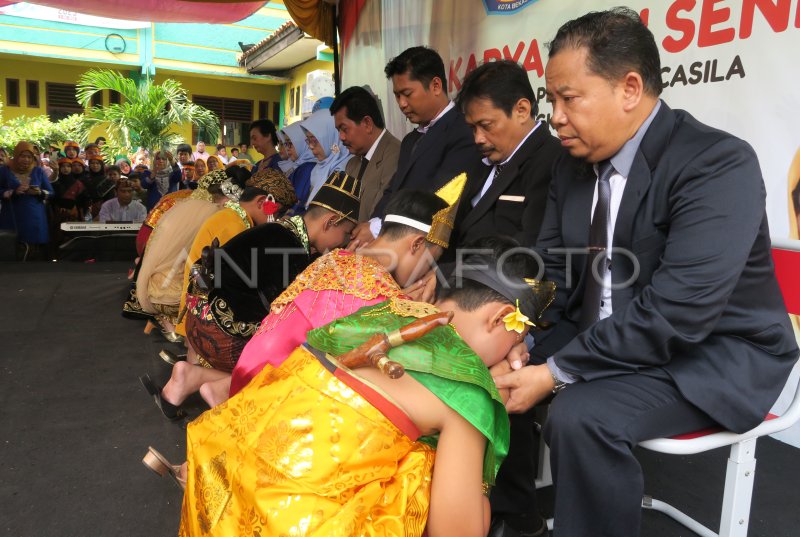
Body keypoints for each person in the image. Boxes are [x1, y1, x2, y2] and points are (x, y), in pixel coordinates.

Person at [490, 9, 799, 537]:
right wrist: (523, 337)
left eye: (569, 98)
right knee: (487, 365)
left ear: (629, 88)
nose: (556, 118)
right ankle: (514, 519)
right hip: (609, 336)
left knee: (581, 414)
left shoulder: (716, 163)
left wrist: (554, 370)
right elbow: (553, 273)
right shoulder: (571, 164)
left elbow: (678, 314)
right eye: (552, 101)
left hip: (711, 351)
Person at [153, 236, 556, 537]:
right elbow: (458, 531)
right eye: (520, 339)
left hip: (221, 495)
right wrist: (487, 411)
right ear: (502, 317)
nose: (517, 356)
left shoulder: (371, 313)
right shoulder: (467, 391)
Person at [144, 171, 361, 417]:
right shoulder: (291, 248)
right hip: (222, 334)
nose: (343, 242)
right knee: (297, 360)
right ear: (330, 222)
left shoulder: (278, 232)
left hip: (199, 320)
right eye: (346, 234)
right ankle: (219, 391)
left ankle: (188, 377)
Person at [229, 173, 467, 397]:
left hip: (248, 372)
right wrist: (409, 315)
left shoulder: (337, 258)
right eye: (431, 261)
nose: (425, 274)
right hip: (267, 392)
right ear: (416, 244)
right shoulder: (379, 293)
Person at [351, 46, 481, 244]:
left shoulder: (462, 131)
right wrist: (372, 224)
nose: (402, 103)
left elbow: (439, 200)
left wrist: (379, 229)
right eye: (397, 95)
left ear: (436, 86)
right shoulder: (410, 140)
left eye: (407, 93)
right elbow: (393, 191)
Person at [173, 167, 297, 341]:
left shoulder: (233, 218)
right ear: (262, 202)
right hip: (206, 312)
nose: (277, 220)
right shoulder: (235, 226)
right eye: (277, 213)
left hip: (200, 305)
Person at [135, 170, 229, 338]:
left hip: (152, 288)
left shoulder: (182, 204)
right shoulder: (213, 213)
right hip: (171, 297)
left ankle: (168, 323)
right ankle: (189, 337)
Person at [331, 85, 401, 221]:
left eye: (344, 129)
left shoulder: (396, 156)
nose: (341, 137)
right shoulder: (352, 164)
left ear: (367, 123)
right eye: (338, 131)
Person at [0, 141, 54, 258]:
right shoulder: (4, 171)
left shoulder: (38, 171)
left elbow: (51, 192)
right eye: (22, 156)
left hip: (34, 216)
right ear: (16, 155)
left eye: (29, 157)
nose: (26, 160)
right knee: (10, 247)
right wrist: (13, 192)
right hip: (12, 214)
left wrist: (39, 192)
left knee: (34, 253)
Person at [300, 109, 352, 213]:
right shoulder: (318, 168)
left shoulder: (346, 168)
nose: (310, 146)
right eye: (308, 140)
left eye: (314, 140)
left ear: (331, 137)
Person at [280, 122, 317, 213]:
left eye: (290, 143)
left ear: (301, 142)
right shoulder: (298, 165)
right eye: (286, 144)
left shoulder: (307, 167)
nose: (287, 148)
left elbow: (297, 200)